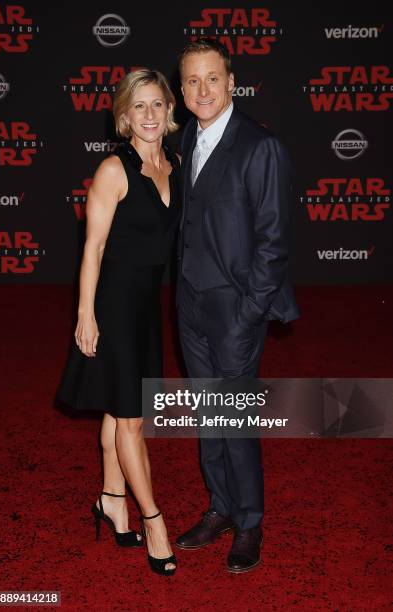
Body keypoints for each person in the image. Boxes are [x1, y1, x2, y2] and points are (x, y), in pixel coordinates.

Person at [176, 38, 299, 573]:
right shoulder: (186, 140)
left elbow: (274, 241)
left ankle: (249, 522)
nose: (203, 89)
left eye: (212, 78)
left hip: (236, 309)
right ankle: (220, 507)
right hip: (189, 304)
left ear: (232, 83)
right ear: (182, 90)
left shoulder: (259, 147)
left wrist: (251, 311)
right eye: (192, 81)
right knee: (208, 414)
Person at [57, 69, 181, 576]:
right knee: (131, 419)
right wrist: (85, 313)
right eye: (139, 107)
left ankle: (112, 498)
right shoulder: (114, 168)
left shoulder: (173, 163)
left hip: (148, 307)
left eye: (157, 105)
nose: (149, 115)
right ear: (124, 117)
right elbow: (94, 246)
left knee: (122, 408)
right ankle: (153, 520)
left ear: (168, 112)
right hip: (112, 305)